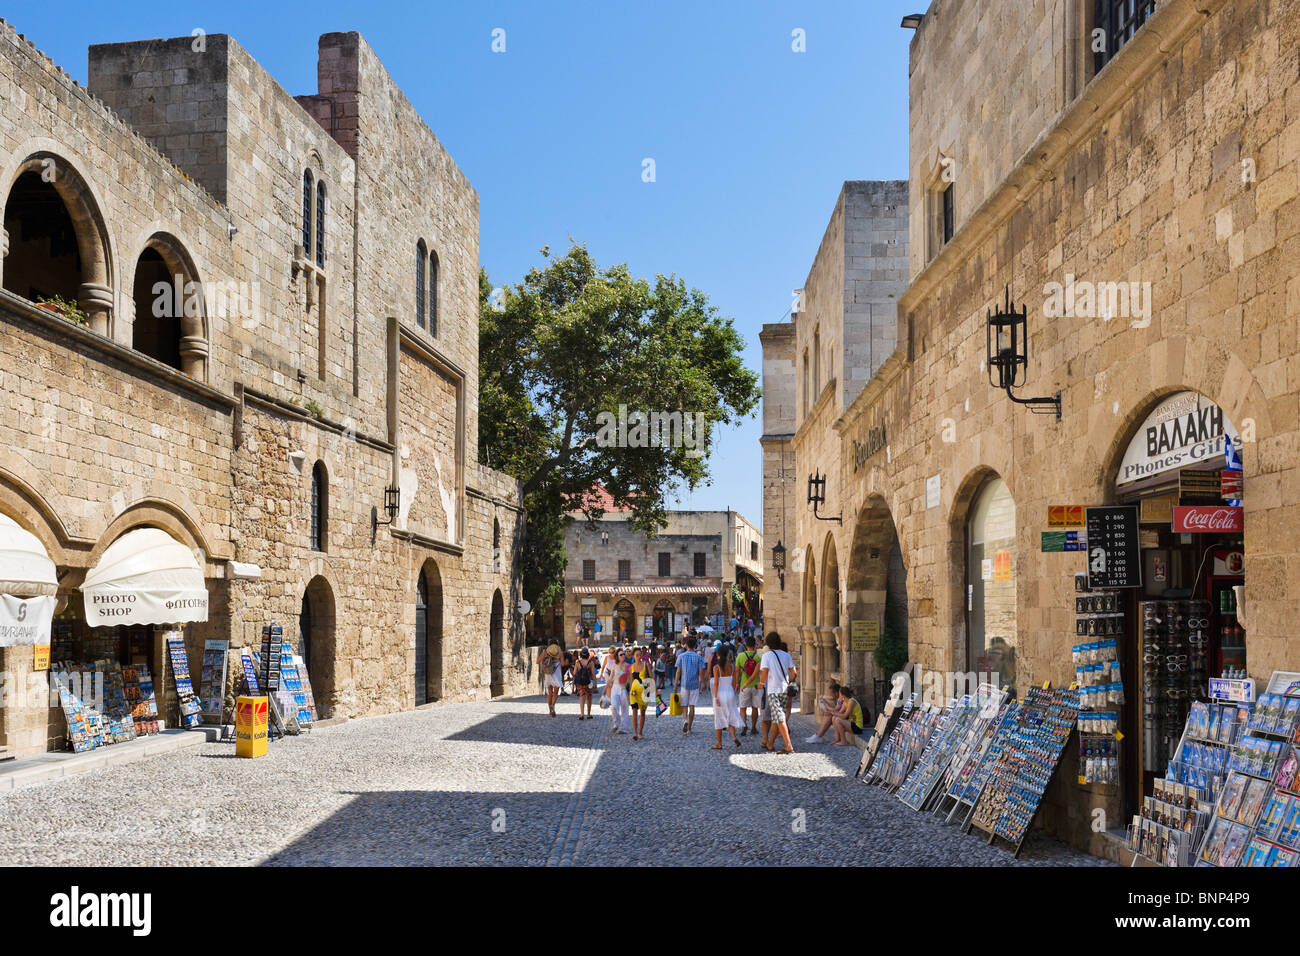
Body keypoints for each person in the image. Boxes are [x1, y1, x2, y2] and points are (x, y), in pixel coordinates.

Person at [759, 633, 797, 754]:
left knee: (779, 719)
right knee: (776, 718)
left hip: (773, 691)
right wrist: (788, 681)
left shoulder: (767, 656)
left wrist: (761, 683)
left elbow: (764, 671)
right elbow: (794, 672)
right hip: (785, 690)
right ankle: (770, 744)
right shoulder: (786, 655)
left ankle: (788, 746)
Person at [711, 644, 743, 749]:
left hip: (721, 693)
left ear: (718, 654)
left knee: (719, 717)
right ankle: (733, 736)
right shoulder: (732, 666)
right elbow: (734, 683)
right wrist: (736, 688)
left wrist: (716, 697)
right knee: (730, 715)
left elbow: (716, 683)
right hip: (730, 692)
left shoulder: (716, 667)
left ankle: (719, 743)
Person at [674, 636, 706, 734]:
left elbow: (678, 671)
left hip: (684, 684)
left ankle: (685, 721)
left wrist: (675, 684)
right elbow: (701, 673)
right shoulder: (699, 657)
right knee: (692, 706)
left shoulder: (681, 656)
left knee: (684, 705)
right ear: (695, 645)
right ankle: (689, 728)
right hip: (695, 685)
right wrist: (703, 683)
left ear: (686, 645)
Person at [735, 635, 764, 736]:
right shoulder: (758, 657)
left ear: (746, 645)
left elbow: (737, 671)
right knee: (755, 707)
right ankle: (753, 727)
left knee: (743, 707)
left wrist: (737, 684)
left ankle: (743, 725)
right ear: (754, 645)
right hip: (756, 685)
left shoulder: (740, 656)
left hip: (744, 685)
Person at [628, 647, 651, 740]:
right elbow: (631, 680)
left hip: (644, 692)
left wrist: (655, 690)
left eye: (640, 654)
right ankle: (634, 733)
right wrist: (629, 691)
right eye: (637, 655)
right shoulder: (631, 667)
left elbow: (651, 677)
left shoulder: (646, 665)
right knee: (634, 711)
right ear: (633, 656)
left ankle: (640, 732)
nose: (639, 656)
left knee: (642, 713)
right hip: (634, 693)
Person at [573, 648, 596, 720]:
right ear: (588, 654)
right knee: (589, 697)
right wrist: (595, 684)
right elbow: (593, 674)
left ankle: (582, 714)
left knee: (581, 697)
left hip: (580, 683)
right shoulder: (590, 663)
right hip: (588, 682)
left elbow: (574, 673)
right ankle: (588, 714)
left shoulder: (577, 662)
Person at [543, 645, 563, 717]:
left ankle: (550, 711)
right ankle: (553, 705)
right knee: (556, 692)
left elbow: (538, 661)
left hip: (548, 672)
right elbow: (563, 664)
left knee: (550, 693)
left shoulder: (546, 653)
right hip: (556, 672)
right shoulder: (560, 654)